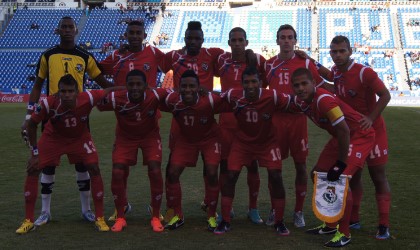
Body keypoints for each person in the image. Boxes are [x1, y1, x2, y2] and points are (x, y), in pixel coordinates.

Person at [20, 16, 113, 227]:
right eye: (64, 27)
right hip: (52, 116)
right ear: (58, 30)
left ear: (76, 31)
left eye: (71, 27)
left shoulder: (85, 56)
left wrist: (121, 91)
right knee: (48, 167)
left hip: (79, 116)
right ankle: (45, 212)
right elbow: (37, 86)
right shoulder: (48, 55)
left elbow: (101, 81)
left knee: (83, 164)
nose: (68, 30)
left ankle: (86, 210)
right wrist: (28, 115)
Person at [307, 35, 392, 240]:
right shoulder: (336, 72)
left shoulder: (364, 72)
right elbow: (332, 80)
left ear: (350, 51)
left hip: (371, 130)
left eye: (341, 51)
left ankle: (383, 224)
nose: (337, 55)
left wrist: (371, 118)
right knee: (352, 177)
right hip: (350, 130)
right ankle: (353, 219)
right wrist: (310, 61)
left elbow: (386, 95)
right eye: (334, 52)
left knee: (377, 176)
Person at [16, 74, 114, 234]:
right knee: (33, 168)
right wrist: (34, 154)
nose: (67, 94)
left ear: (77, 92)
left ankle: (100, 218)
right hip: (53, 138)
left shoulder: (88, 97)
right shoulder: (48, 103)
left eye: (70, 91)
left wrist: (133, 89)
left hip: (79, 138)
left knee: (94, 167)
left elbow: (109, 90)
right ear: (58, 92)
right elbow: (32, 124)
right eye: (63, 91)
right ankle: (28, 221)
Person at [290, 68, 375, 247]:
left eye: (304, 83)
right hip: (341, 136)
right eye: (296, 85)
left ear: (314, 83)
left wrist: (340, 164)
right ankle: (330, 224)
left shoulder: (323, 99)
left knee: (340, 181)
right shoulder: (302, 102)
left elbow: (344, 129)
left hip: (358, 135)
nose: (300, 88)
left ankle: (344, 233)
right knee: (318, 174)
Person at [100, 20, 167, 222]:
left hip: (149, 120)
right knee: (121, 168)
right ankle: (122, 206)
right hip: (125, 120)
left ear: (144, 36)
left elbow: (176, 66)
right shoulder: (116, 56)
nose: (135, 36)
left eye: (139, 32)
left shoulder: (154, 54)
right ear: (126, 35)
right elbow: (96, 70)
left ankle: (155, 208)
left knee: (154, 168)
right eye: (132, 32)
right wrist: (113, 89)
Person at [214, 66, 292, 236]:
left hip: (267, 143)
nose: (250, 86)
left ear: (260, 83)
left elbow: (293, 102)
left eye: (254, 82)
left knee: (276, 177)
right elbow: (215, 99)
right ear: (242, 84)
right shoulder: (233, 95)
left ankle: (279, 221)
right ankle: (225, 220)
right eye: (246, 82)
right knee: (230, 176)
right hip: (242, 143)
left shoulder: (272, 95)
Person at [264, 24, 325, 228]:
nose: (287, 41)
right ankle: (275, 209)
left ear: (295, 40)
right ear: (277, 40)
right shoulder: (269, 65)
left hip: (298, 121)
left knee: (300, 165)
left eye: (290, 37)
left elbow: (321, 86)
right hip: (276, 122)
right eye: (283, 37)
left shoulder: (305, 63)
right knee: (274, 169)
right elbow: (259, 89)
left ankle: (298, 211)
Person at [97, 70, 169, 232]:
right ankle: (121, 216)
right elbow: (95, 100)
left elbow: (178, 93)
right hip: (125, 138)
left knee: (155, 169)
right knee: (117, 172)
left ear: (146, 86)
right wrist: (113, 89)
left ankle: (156, 216)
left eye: (139, 84)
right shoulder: (117, 98)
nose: (135, 87)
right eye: (131, 84)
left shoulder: (156, 95)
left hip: (149, 137)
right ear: (126, 86)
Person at [214, 27, 267, 224]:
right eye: (233, 40)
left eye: (240, 40)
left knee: (252, 166)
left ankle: (253, 209)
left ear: (246, 42)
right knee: (225, 166)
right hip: (227, 122)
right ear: (228, 43)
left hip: (250, 122)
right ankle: (227, 208)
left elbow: (268, 81)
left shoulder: (258, 60)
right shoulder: (221, 60)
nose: (237, 43)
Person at [161, 70, 224, 231]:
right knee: (173, 172)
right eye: (184, 86)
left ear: (198, 87)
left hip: (209, 139)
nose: (187, 89)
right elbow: (151, 94)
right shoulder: (172, 99)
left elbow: (231, 98)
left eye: (191, 86)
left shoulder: (209, 99)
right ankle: (178, 215)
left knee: (211, 172)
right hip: (186, 139)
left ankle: (211, 215)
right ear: (178, 87)